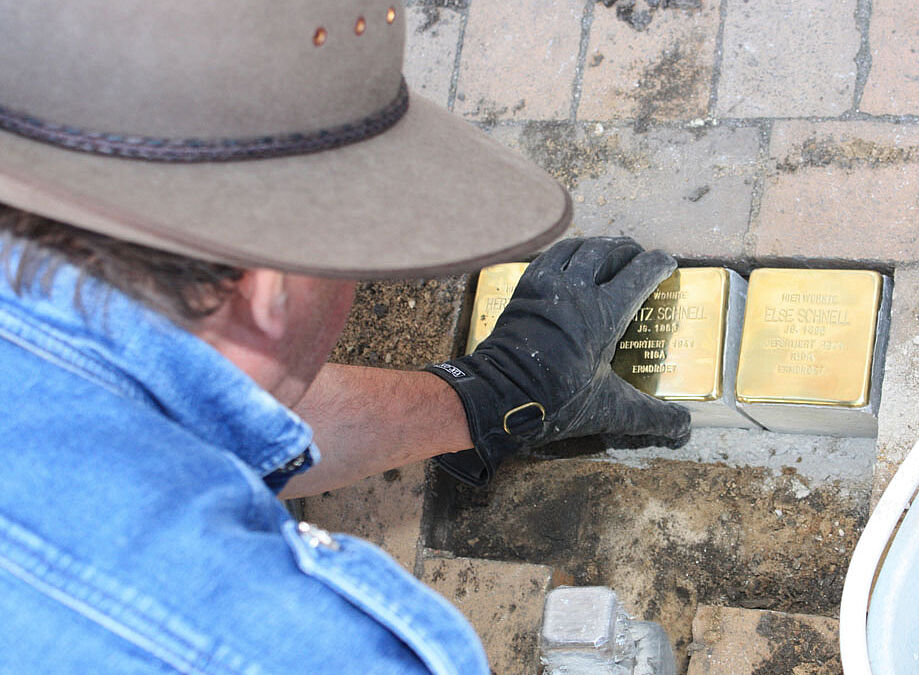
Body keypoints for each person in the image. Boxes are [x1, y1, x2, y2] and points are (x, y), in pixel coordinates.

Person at [0, 2, 689, 673]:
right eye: (351, 263)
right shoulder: (303, 650)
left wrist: (494, 396)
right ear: (267, 289)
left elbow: (227, 390)